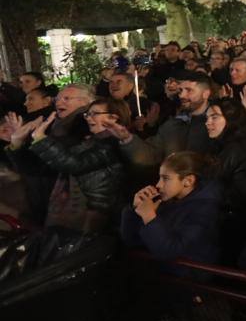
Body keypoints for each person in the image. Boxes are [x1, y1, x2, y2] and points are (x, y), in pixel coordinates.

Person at [11, 98, 127, 233]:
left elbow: (73, 164)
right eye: (87, 114)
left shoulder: (113, 144)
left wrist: (41, 139)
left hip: (95, 218)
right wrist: (17, 143)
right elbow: (42, 168)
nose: (89, 118)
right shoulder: (84, 141)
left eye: (94, 114)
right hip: (73, 213)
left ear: (114, 118)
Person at [2, 84, 94, 225]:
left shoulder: (86, 126)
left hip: (72, 207)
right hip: (47, 199)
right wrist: (18, 142)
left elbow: (52, 166)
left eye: (67, 98)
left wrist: (28, 141)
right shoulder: (56, 124)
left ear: (87, 102)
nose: (59, 102)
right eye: (58, 98)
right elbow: (36, 165)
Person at [121, 151, 221, 263]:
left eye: (166, 178)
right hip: (155, 266)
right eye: (159, 178)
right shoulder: (168, 199)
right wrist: (134, 209)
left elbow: (169, 252)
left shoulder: (205, 210)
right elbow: (131, 240)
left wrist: (149, 217)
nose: (158, 185)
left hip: (184, 275)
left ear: (188, 181)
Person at [205, 97, 246, 263]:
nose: (208, 123)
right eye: (207, 118)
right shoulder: (225, 144)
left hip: (232, 224)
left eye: (214, 117)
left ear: (231, 119)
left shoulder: (237, 148)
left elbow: (216, 185)